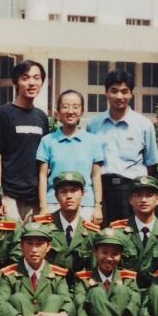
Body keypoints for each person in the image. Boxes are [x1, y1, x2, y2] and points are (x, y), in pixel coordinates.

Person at [86, 69, 158, 225]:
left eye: (124, 91)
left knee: (130, 233)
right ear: (106, 93)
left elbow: (151, 164)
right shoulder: (94, 124)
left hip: (131, 190)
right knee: (103, 235)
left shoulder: (144, 124)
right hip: (101, 190)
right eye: (114, 91)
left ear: (131, 94)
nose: (119, 96)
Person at [0, 60, 50, 223]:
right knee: (11, 236)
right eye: (25, 77)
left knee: (33, 238)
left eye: (36, 78)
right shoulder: (2, 114)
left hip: (34, 195)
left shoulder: (42, 117)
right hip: (9, 194)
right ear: (16, 81)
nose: (31, 83)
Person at [73, 228, 140, 316]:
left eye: (115, 254)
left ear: (120, 255)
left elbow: (134, 306)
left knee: (122, 291)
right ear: (95, 252)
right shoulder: (83, 278)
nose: (109, 258)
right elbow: (81, 308)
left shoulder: (128, 278)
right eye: (104, 252)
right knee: (96, 292)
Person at [37, 90, 105, 222]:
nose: (70, 111)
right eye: (65, 107)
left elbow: (96, 176)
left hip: (85, 204)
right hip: (54, 203)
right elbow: (42, 175)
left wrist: (98, 206)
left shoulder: (93, 141)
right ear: (58, 112)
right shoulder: (47, 140)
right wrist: (43, 206)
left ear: (82, 111)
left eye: (75, 107)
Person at [110, 175, 158, 289]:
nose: (144, 200)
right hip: (126, 291)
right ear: (130, 199)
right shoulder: (117, 231)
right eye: (139, 195)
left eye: (149, 195)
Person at [41, 171, 101, 287]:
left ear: (83, 194)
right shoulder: (43, 227)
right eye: (63, 191)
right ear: (56, 196)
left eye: (74, 191)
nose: (69, 196)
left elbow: (94, 270)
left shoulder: (92, 232)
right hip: (50, 287)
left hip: (81, 288)